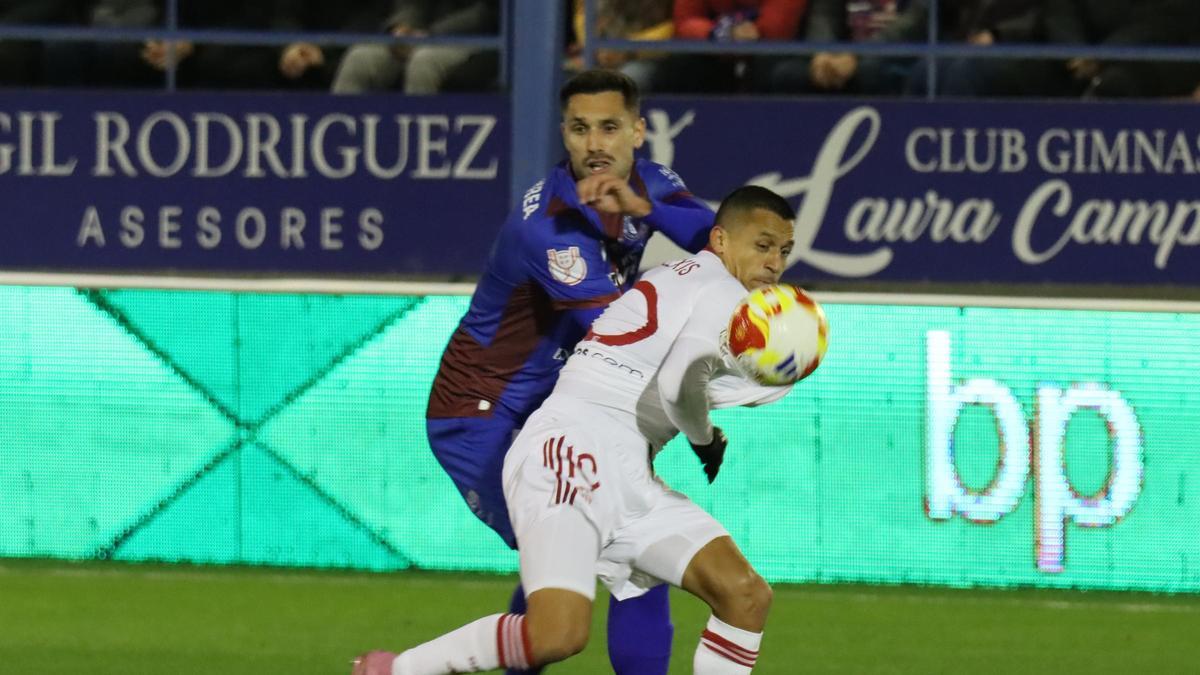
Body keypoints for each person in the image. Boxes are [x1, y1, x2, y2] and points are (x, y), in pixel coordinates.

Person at [355, 184, 798, 675]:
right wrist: (706, 438)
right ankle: (396, 670)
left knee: (744, 595)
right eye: (762, 245)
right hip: (572, 450)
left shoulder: (684, 278)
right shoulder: (724, 294)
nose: (773, 262)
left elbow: (688, 374)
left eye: (784, 250)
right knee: (557, 635)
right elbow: (678, 384)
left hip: (627, 470)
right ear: (720, 240)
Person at [421, 69, 716, 675]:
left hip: (554, 407)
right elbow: (619, 339)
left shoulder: (652, 184)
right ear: (564, 134)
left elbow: (718, 242)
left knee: (565, 569)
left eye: (609, 127)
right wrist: (700, 414)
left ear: (638, 131)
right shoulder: (549, 227)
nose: (594, 144)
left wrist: (645, 208)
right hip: (483, 418)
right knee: (627, 556)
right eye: (580, 129)